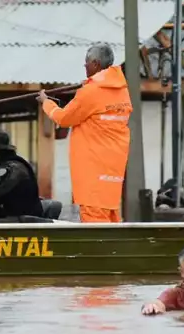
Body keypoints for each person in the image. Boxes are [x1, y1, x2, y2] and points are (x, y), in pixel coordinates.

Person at [36, 43, 132, 223]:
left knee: (94, 221)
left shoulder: (91, 92)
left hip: (92, 170)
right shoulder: (121, 90)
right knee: (110, 215)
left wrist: (46, 102)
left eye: (86, 63)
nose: (85, 67)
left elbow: (64, 118)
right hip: (112, 169)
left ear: (95, 64)